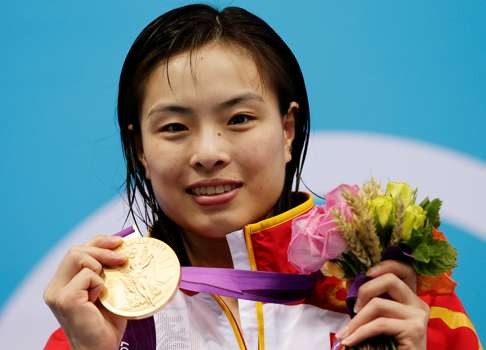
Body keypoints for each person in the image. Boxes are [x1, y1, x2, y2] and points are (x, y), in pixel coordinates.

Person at [43, 4, 480, 350]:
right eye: (174, 127)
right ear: (140, 148)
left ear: (287, 129)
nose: (209, 153)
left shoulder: (388, 288)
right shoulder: (98, 315)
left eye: (239, 119)